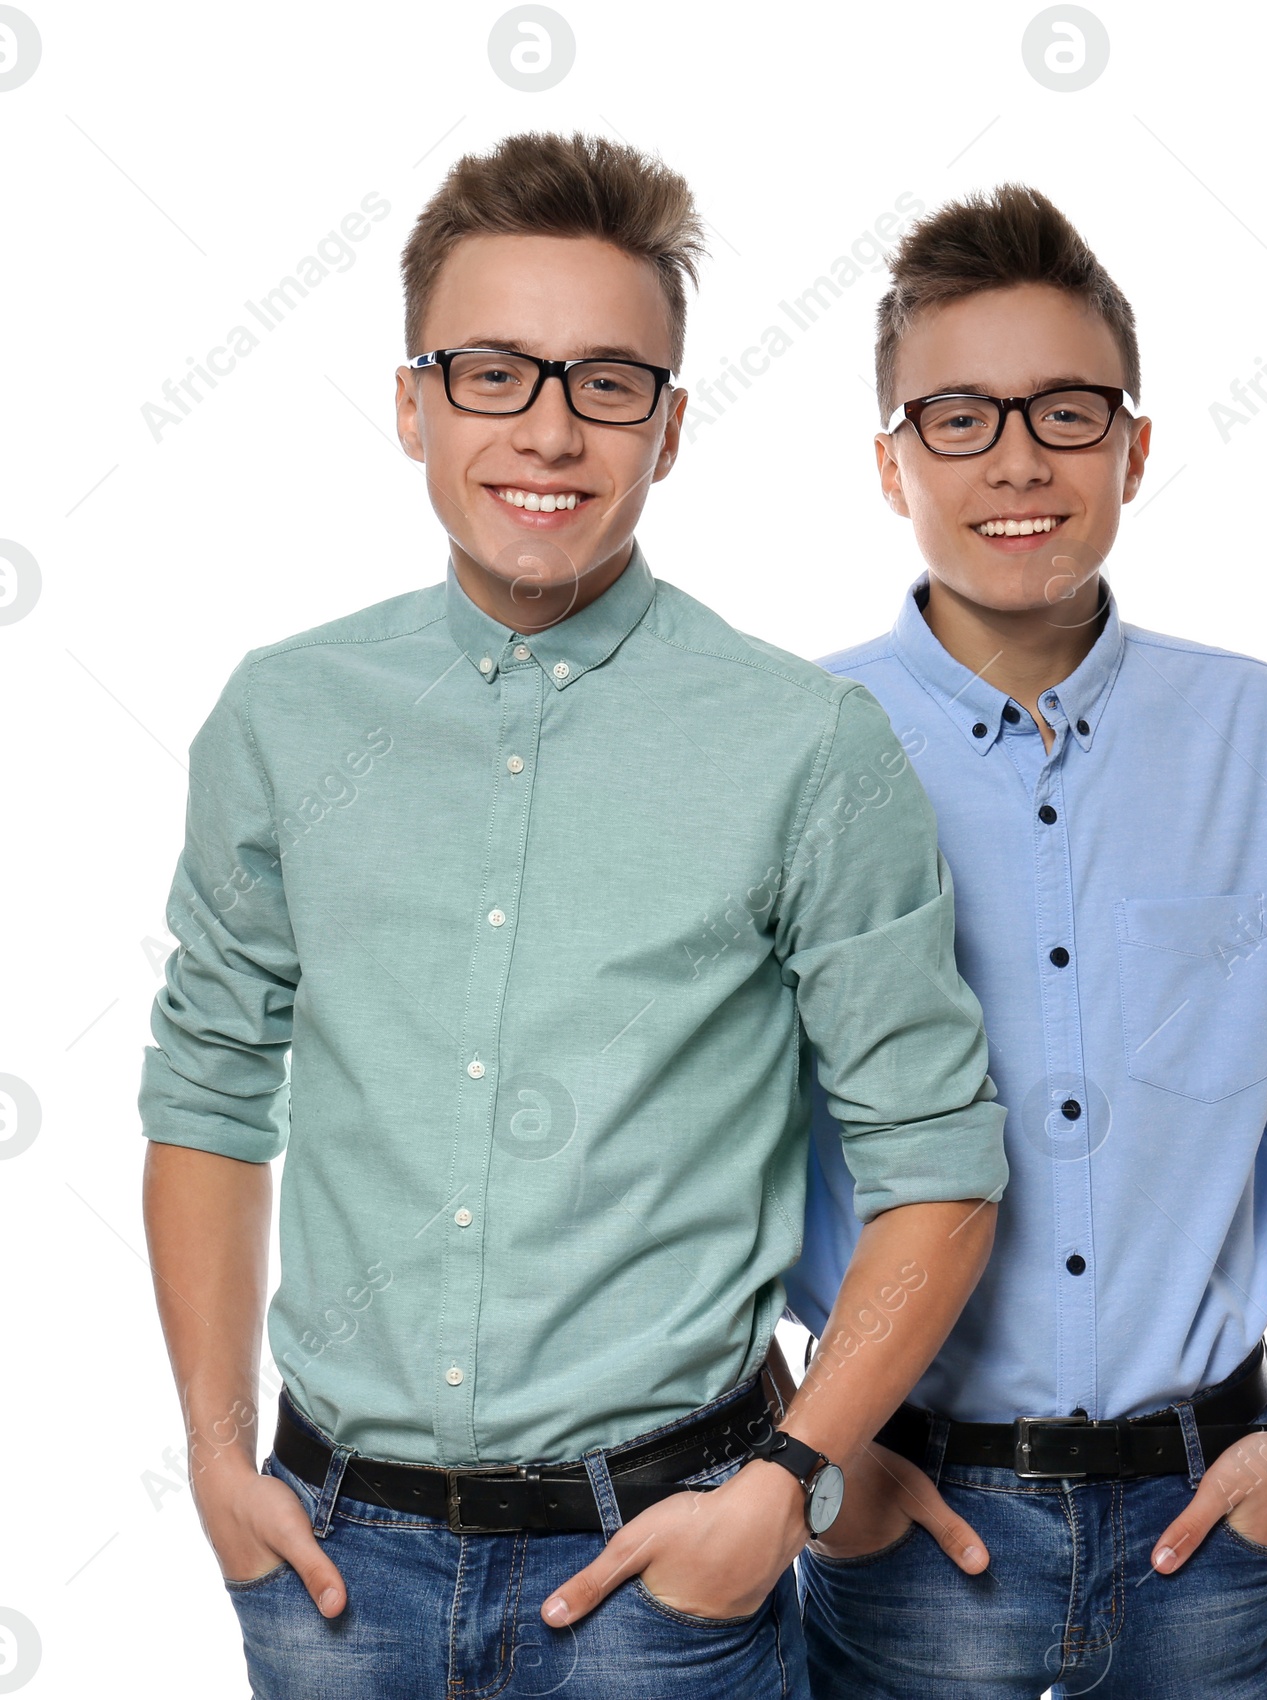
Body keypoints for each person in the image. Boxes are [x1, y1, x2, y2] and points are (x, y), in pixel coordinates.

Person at [138, 131, 1009, 1700]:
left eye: (609, 382)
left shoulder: (805, 747)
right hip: (329, 1569)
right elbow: (208, 1093)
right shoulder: (284, 717)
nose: (549, 429)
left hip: (665, 1579)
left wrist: (783, 1487)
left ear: (669, 429)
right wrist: (215, 1460)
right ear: (411, 399)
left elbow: (938, 1164)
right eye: (492, 371)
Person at [785, 184, 1267, 1699]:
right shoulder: (792, 748)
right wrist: (797, 1454)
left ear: (1134, 445)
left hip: (1206, 1532)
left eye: (1067, 412)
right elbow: (688, 1128)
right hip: (907, 1525)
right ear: (890, 462)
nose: (1017, 458)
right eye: (958, 416)